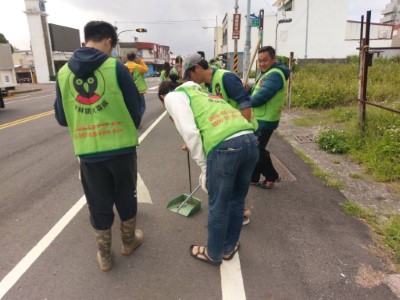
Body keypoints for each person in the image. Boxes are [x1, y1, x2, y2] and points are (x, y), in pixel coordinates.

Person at [54, 20, 144, 272]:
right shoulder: (116, 68)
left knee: (98, 202)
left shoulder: (63, 73)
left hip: (88, 152)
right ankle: (128, 242)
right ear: (107, 40)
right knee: (126, 196)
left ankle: (105, 256)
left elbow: (62, 118)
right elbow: (135, 111)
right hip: (121, 148)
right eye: (112, 45)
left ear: (86, 39)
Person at [158, 77, 258, 266]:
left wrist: (204, 167)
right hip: (249, 141)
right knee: (237, 200)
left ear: (163, 96)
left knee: (218, 204)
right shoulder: (203, 93)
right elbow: (210, 124)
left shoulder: (172, 97)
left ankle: (213, 253)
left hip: (226, 147)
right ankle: (228, 248)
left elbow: (190, 132)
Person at [182, 52, 256, 225]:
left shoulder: (226, 78)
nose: (190, 79)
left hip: (239, 135)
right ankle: (238, 212)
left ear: (197, 68)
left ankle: (242, 213)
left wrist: (241, 133)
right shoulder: (207, 87)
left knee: (235, 177)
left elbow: (245, 103)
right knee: (231, 178)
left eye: (190, 74)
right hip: (226, 137)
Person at [249, 46, 290, 189]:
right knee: (255, 148)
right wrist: (248, 90)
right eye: (259, 61)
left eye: (265, 60)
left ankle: (272, 176)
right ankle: (253, 177)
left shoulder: (275, 75)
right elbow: (258, 90)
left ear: (273, 59)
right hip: (259, 117)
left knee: (257, 150)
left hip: (265, 120)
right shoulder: (267, 73)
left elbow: (260, 98)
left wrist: (243, 99)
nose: (261, 64)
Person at [125, 51, 148, 121]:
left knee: (131, 106)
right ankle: (137, 119)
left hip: (128, 91)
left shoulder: (123, 66)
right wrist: (140, 60)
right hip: (139, 90)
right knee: (142, 106)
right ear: (135, 58)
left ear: (127, 58)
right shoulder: (138, 67)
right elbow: (146, 69)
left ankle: (132, 118)